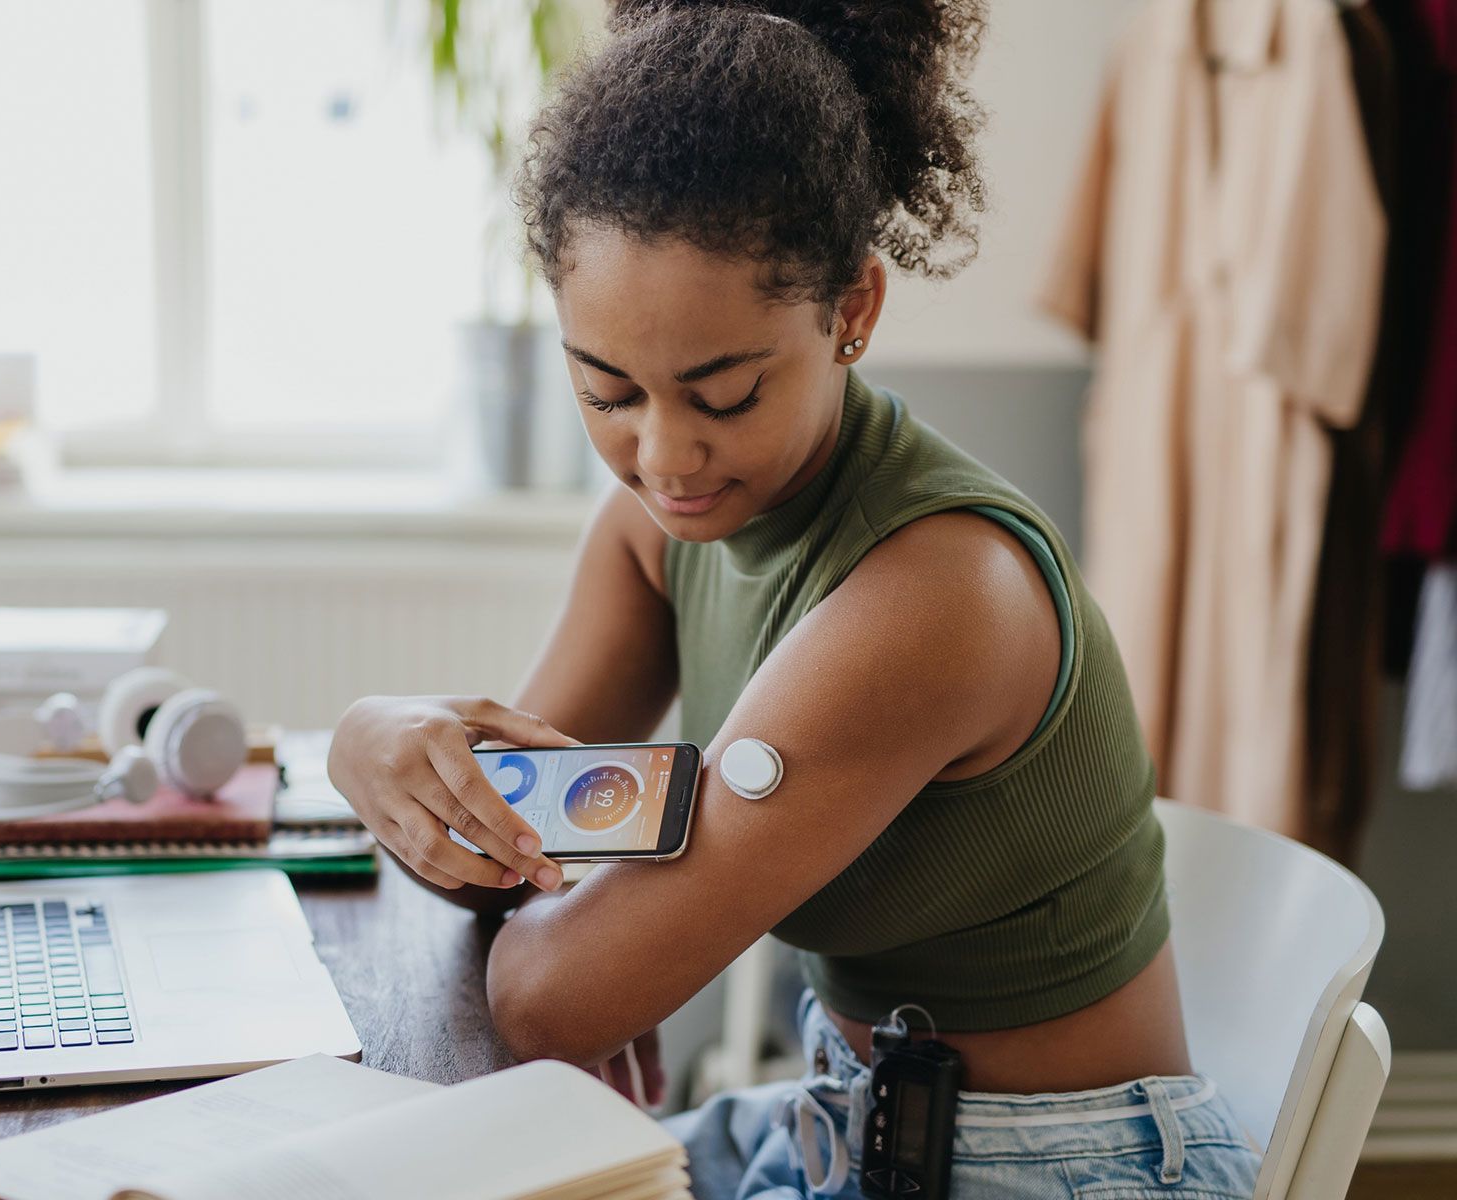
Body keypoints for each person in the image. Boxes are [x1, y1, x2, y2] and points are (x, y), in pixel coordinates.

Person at [328, 2, 1263, 1195]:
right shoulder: (657, 535)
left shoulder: (937, 599)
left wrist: (544, 900)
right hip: (846, 1115)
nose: (665, 457)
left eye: (723, 395)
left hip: (1054, 1169)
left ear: (853, 312)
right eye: (609, 392)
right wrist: (371, 743)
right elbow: (504, 847)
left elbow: (554, 992)